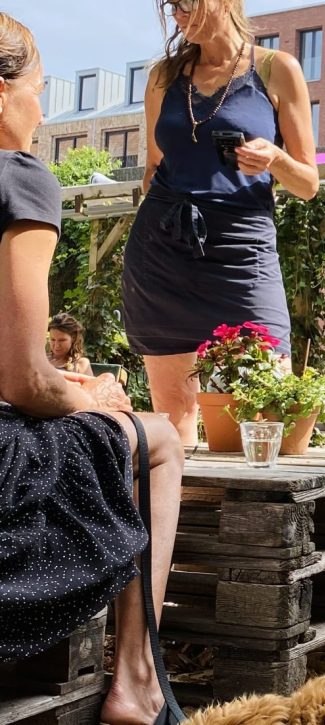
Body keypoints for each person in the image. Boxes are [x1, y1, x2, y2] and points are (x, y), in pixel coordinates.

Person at [0, 15, 184, 725]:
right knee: (156, 438)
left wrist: (64, 386)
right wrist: (96, 399)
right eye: (38, 91)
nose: (42, 114)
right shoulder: (20, 178)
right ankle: (137, 681)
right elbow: (23, 382)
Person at [121, 0, 319, 446]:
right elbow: (153, 168)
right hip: (163, 250)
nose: (177, 14)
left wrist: (275, 158)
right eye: (171, 6)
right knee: (174, 410)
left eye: (186, 3)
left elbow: (308, 183)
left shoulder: (276, 69)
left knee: (269, 404)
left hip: (243, 250)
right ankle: (180, 494)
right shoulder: (164, 76)